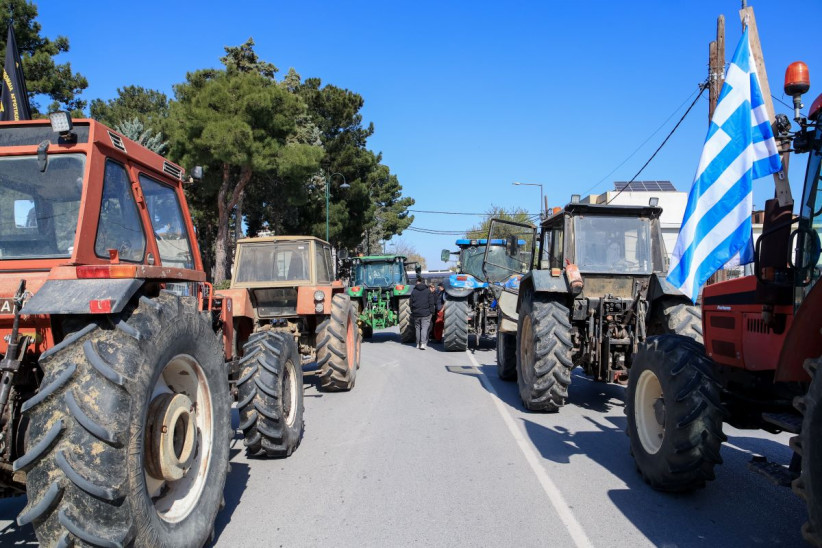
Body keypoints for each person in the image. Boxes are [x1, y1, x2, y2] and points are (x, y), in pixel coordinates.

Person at [410, 277, 435, 349]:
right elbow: (431, 302)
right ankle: (423, 344)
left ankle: (417, 344)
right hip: (426, 313)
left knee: (417, 328)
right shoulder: (428, 291)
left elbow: (410, 302)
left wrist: (413, 310)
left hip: (416, 313)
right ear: (424, 282)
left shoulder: (413, 291)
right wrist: (432, 312)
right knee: (424, 328)